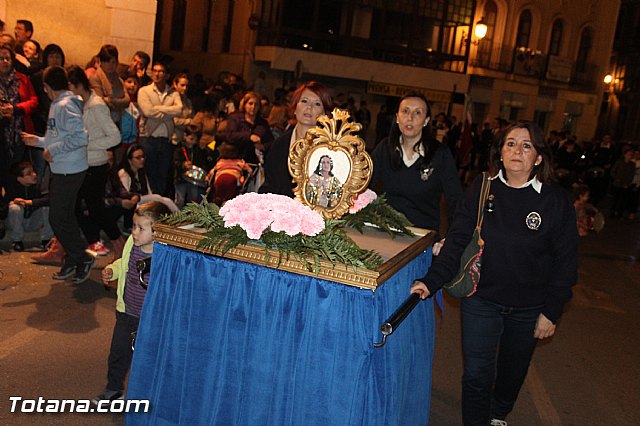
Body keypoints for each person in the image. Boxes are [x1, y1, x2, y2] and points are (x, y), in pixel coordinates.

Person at [410, 121, 579, 426]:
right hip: (481, 299)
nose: (517, 150)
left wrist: (551, 312)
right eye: (511, 143)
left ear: (538, 157)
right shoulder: (482, 188)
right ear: (500, 152)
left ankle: (499, 412)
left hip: (529, 306)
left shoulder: (555, 201)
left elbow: (566, 262)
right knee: (476, 374)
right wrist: (430, 281)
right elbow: (458, 239)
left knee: (512, 372)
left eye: (527, 145)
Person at [21, 65, 96, 284]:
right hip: (65, 168)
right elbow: (59, 137)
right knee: (64, 216)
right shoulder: (61, 104)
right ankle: (74, 257)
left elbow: (80, 138)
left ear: (46, 87)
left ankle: (82, 256)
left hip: (69, 170)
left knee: (57, 217)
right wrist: (38, 141)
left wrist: (52, 150)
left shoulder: (64, 105)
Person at [92, 201, 172, 405]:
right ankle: (113, 388)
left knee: (147, 360)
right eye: (134, 226)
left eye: (141, 228)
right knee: (118, 354)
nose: (134, 232)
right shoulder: (131, 244)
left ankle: (147, 395)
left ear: (158, 231)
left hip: (151, 319)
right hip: (126, 313)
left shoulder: (166, 255)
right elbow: (124, 264)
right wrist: (112, 270)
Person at [371, 91, 462, 233]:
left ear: (426, 121)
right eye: (405, 111)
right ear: (397, 117)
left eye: (417, 113)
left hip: (423, 237)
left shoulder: (440, 153)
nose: (410, 118)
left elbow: (455, 199)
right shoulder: (384, 148)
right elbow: (363, 185)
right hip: (386, 232)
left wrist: (450, 238)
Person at [67, 65, 125, 259]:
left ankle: (116, 242)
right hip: (82, 164)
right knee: (79, 206)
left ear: (76, 85)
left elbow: (115, 137)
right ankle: (95, 242)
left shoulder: (96, 105)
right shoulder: (79, 104)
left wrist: (88, 144)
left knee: (94, 208)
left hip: (95, 165)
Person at [260, 81, 332, 196]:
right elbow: (269, 186)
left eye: (317, 104)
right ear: (294, 108)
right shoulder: (280, 145)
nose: (309, 107)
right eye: (304, 101)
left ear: (324, 114)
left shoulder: (330, 149)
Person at [137, 60, 182, 196]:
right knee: (149, 173)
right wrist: (168, 112)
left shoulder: (173, 93)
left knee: (162, 175)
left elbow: (179, 109)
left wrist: (157, 108)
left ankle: (160, 205)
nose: (156, 74)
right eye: (154, 70)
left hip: (166, 140)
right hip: (149, 138)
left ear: (167, 75)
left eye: (160, 71)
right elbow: (147, 112)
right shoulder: (144, 91)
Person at [3, 160, 52, 251]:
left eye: (33, 171)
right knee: (15, 208)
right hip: (14, 222)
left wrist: (29, 202)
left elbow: (49, 199)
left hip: (31, 221)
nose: (34, 175)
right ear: (19, 178)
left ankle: (46, 239)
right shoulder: (10, 188)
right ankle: (17, 241)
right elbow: (2, 209)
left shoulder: (37, 187)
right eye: (29, 173)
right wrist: (9, 204)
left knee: (47, 207)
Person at [221, 91, 273, 165]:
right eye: (250, 104)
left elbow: (271, 141)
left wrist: (263, 147)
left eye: (256, 105)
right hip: (234, 159)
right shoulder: (235, 118)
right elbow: (229, 135)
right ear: (244, 105)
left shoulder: (262, 123)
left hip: (254, 161)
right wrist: (249, 136)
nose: (253, 107)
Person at [174, 124, 215, 207]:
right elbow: (174, 162)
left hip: (194, 180)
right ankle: (177, 216)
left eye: (196, 139)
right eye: (191, 139)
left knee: (193, 199)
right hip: (180, 179)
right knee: (180, 200)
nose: (193, 142)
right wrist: (182, 164)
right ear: (185, 136)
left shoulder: (198, 150)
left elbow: (202, 163)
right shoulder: (179, 149)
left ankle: (192, 217)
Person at [89, 44, 130, 125]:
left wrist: (111, 100)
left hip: (117, 121)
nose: (111, 65)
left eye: (113, 62)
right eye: (107, 62)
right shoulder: (95, 78)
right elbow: (100, 102)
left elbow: (127, 100)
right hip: (101, 122)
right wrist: (119, 103)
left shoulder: (119, 80)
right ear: (101, 61)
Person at [207, 141, 252, 205]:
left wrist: (207, 178)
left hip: (219, 180)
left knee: (218, 193)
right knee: (232, 194)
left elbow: (212, 172)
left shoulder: (220, 162)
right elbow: (249, 171)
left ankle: (218, 199)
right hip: (233, 180)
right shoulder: (240, 162)